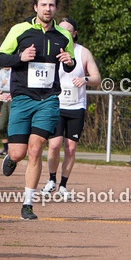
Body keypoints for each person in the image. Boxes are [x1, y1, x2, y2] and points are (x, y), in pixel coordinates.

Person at [0, 0, 76, 220]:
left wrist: (70, 62)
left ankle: (27, 205)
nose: (48, 9)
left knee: (36, 148)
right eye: (43, 5)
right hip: (22, 97)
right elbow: (0, 58)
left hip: (48, 99)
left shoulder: (63, 35)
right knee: (19, 152)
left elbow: (69, 64)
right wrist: (19, 58)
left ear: (55, 9)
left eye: (51, 5)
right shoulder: (20, 30)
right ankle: (11, 158)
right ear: (36, 7)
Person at [42, 18, 101, 200]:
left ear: (74, 34)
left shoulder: (83, 52)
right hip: (56, 104)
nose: (64, 33)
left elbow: (97, 78)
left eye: (69, 30)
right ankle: (51, 179)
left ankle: (63, 185)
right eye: (61, 29)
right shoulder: (51, 49)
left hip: (76, 106)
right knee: (54, 144)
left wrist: (85, 80)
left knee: (71, 149)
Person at [0, 66, 12, 156]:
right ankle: (5, 148)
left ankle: (11, 148)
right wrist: (3, 83)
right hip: (4, 99)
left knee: (11, 125)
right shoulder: (2, 71)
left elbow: (12, 83)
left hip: (12, 99)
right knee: (1, 125)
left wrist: (6, 83)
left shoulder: (14, 69)